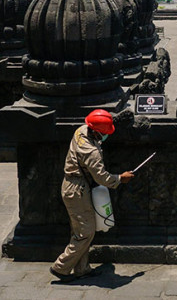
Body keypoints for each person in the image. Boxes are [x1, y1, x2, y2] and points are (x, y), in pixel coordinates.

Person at [50, 109, 133, 282]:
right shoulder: (91, 152)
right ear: (96, 132)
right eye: (104, 133)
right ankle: (61, 267)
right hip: (77, 190)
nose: (105, 136)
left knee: (80, 230)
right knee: (86, 232)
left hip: (74, 186)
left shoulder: (81, 130)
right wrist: (120, 178)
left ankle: (82, 269)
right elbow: (102, 177)